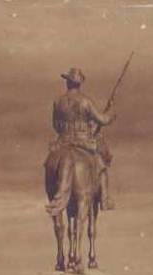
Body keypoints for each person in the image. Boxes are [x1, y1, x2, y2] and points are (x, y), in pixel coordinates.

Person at [46, 67, 116, 214]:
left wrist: (65, 132)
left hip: (62, 142)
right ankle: (104, 199)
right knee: (101, 165)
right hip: (83, 143)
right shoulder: (85, 101)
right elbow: (102, 119)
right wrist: (110, 114)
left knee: (49, 162)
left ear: (68, 83)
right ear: (79, 84)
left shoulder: (58, 101)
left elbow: (55, 125)